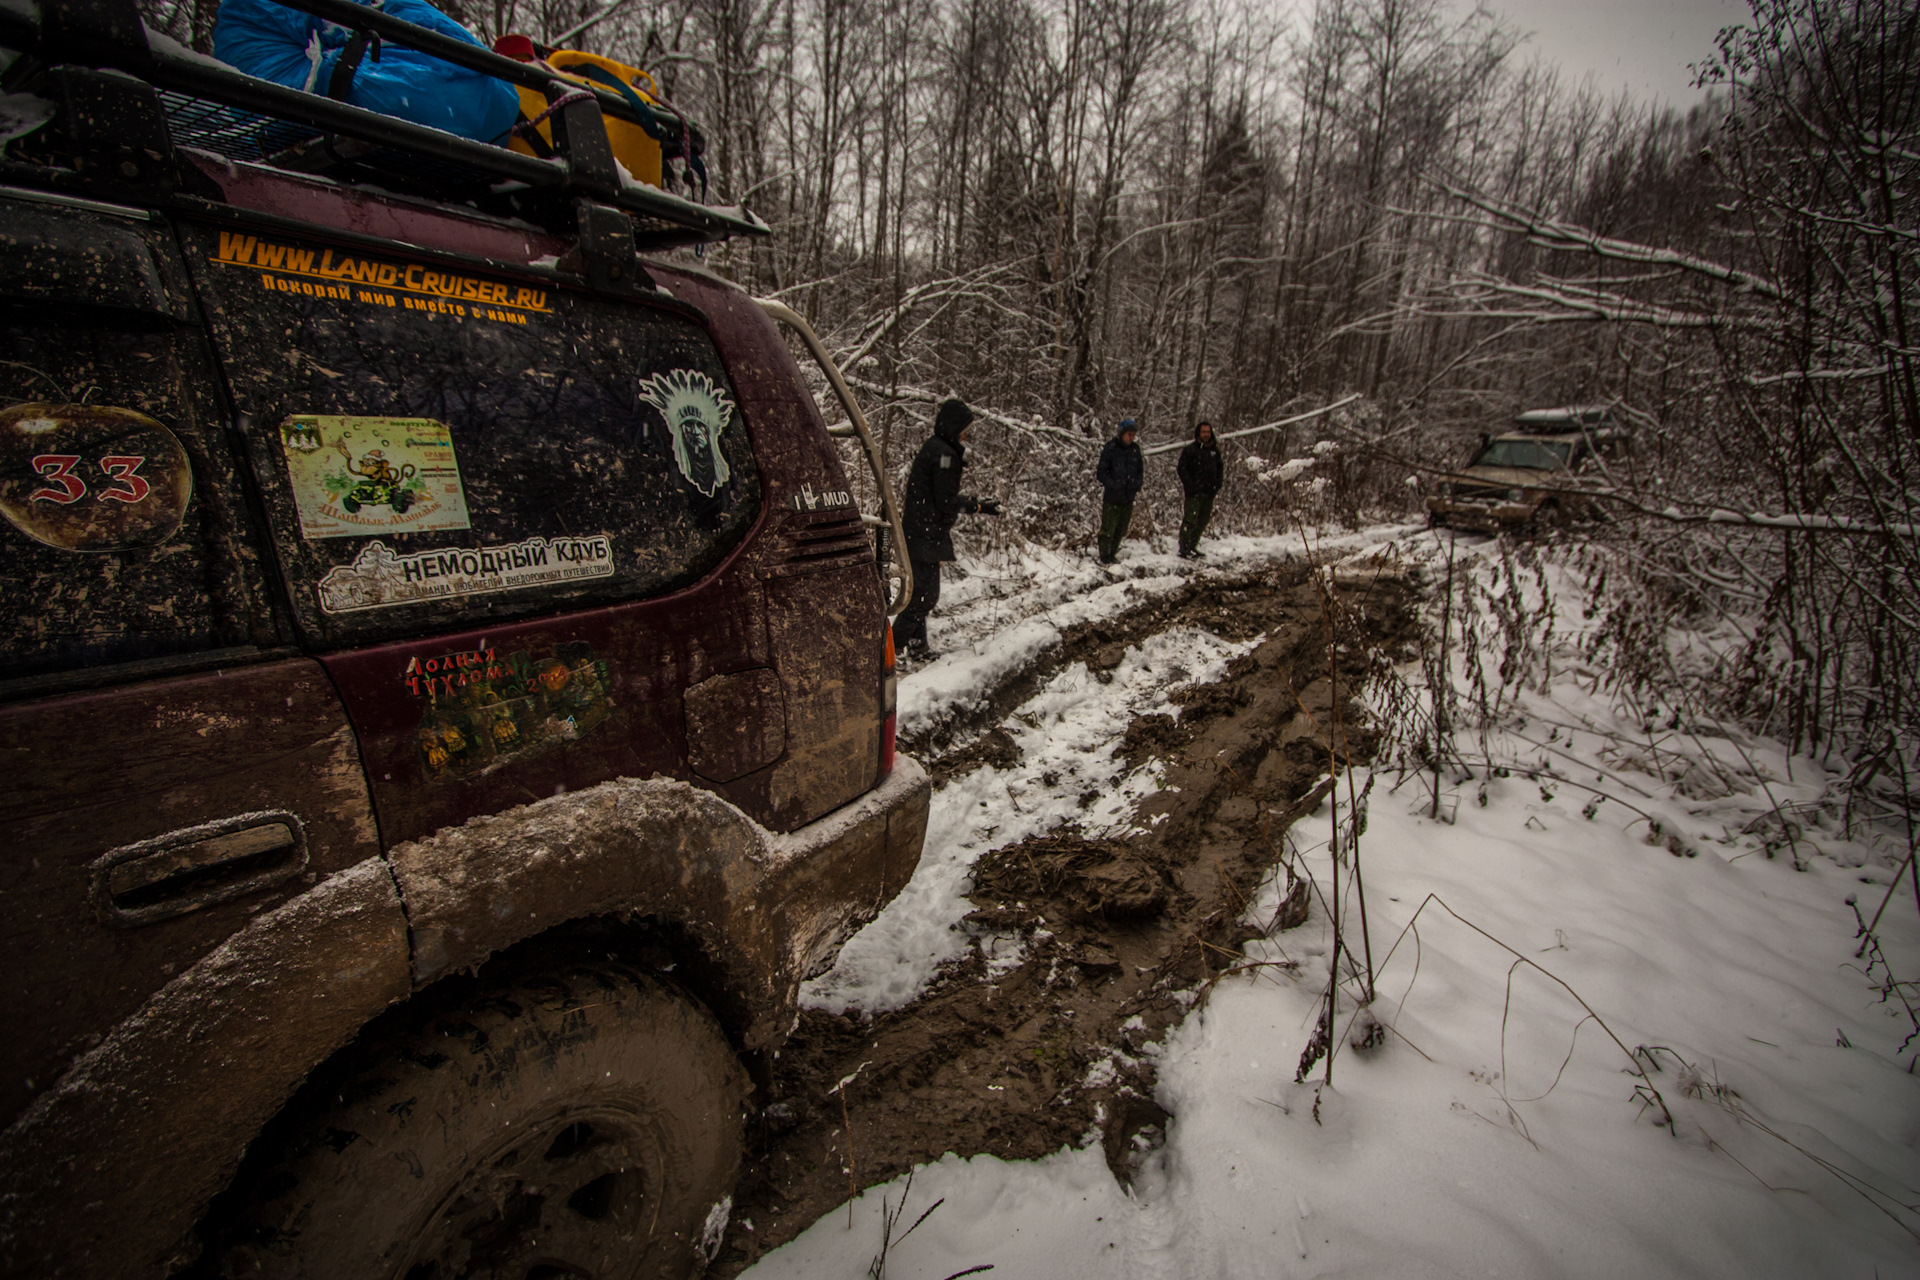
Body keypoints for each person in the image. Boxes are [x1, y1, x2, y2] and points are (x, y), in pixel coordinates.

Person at [897, 399, 999, 659]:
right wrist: (978, 506)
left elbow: (939, 496)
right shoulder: (945, 454)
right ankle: (888, 649)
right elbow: (946, 501)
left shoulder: (937, 447)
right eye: (965, 428)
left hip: (919, 529)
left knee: (919, 592)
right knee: (925, 597)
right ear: (955, 427)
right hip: (925, 533)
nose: (967, 434)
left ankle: (917, 648)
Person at [1094, 418, 1144, 564]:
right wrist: (1112, 484)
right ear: (1122, 433)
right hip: (1112, 497)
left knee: (1121, 528)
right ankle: (1105, 555)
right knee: (1108, 528)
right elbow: (1101, 472)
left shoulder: (1135, 450)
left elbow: (1140, 471)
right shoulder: (1111, 448)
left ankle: (1113, 552)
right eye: (1129, 434)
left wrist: (1137, 485)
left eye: (1133, 435)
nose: (1131, 437)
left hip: (1128, 496)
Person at [1175, 420, 1224, 558]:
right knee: (1190, 520)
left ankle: (1192, 545)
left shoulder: (1214, 451)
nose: (1206, 435)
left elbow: (1220, 469)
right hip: (1194, 492)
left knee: (1202, 521)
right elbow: (1182, 469)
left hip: (1209, 493)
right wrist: (1191, 485)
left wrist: (1217, 485)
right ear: (1198, 433)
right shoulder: (1190, 450)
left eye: (1208, 432)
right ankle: (1184, 548)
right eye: (1203, 432)